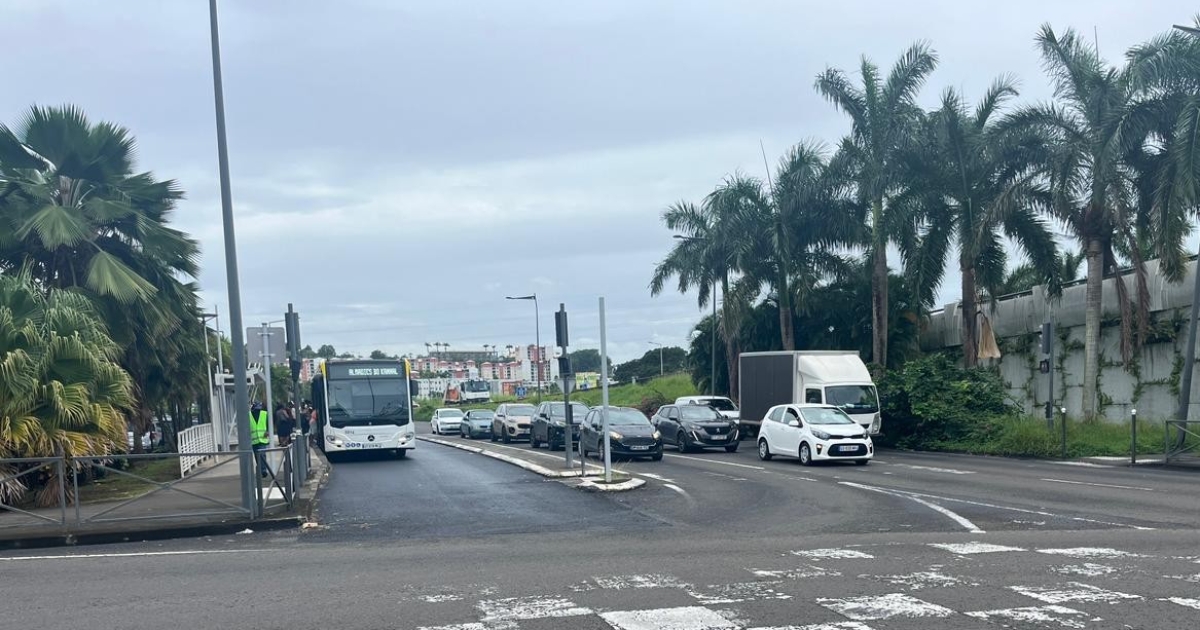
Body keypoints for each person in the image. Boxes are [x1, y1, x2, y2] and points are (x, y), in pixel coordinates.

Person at [249, 401, 271, 477]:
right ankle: (261, 469)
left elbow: (268, 423)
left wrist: (268, 431)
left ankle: (263, 470)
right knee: (257, 456)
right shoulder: (249, 415)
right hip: (254, 440)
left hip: (262, 438)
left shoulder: (264, 414)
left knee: (262, 454)